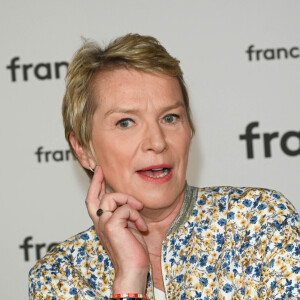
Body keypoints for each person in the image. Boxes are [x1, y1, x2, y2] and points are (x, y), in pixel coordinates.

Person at [29, 33, 300, 300]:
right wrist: (129, 280)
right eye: (126, 122)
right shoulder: (59, 277)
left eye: (170, 117)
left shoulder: (261, 222)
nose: (157, 142)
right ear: (83, 149)